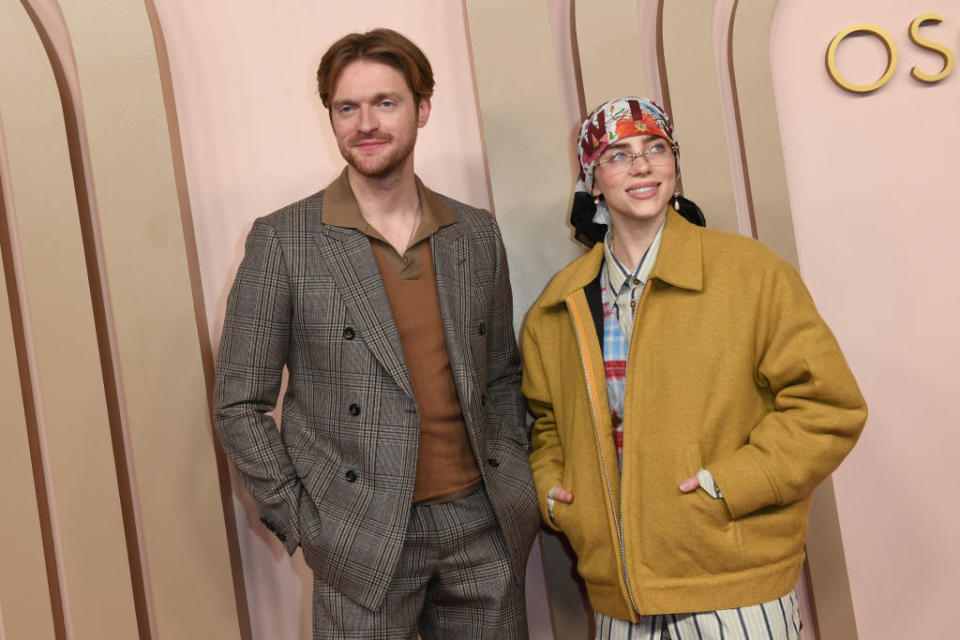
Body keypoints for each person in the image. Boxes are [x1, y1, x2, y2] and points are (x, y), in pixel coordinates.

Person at [213, 28, 539, 639]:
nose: (366, 122)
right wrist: (307, 522)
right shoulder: (284, 240)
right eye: (348, 107)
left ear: (422, 108)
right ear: (331, 117)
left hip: (482, 527)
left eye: (386, 102)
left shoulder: (474, 233)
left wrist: (514, 485)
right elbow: (240, 403)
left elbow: (500, 373)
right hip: (359, 539)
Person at [521, 97, 867, 639]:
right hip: (621, 599)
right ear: (593, 183)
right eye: (618, 155)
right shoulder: (557, 305)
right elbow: (546, 425)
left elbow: (828, 406)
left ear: (674, 168)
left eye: (655, 148)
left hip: (736, 587)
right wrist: (557, 495)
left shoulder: (750, 272)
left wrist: (729, 485)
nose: (641, 165)